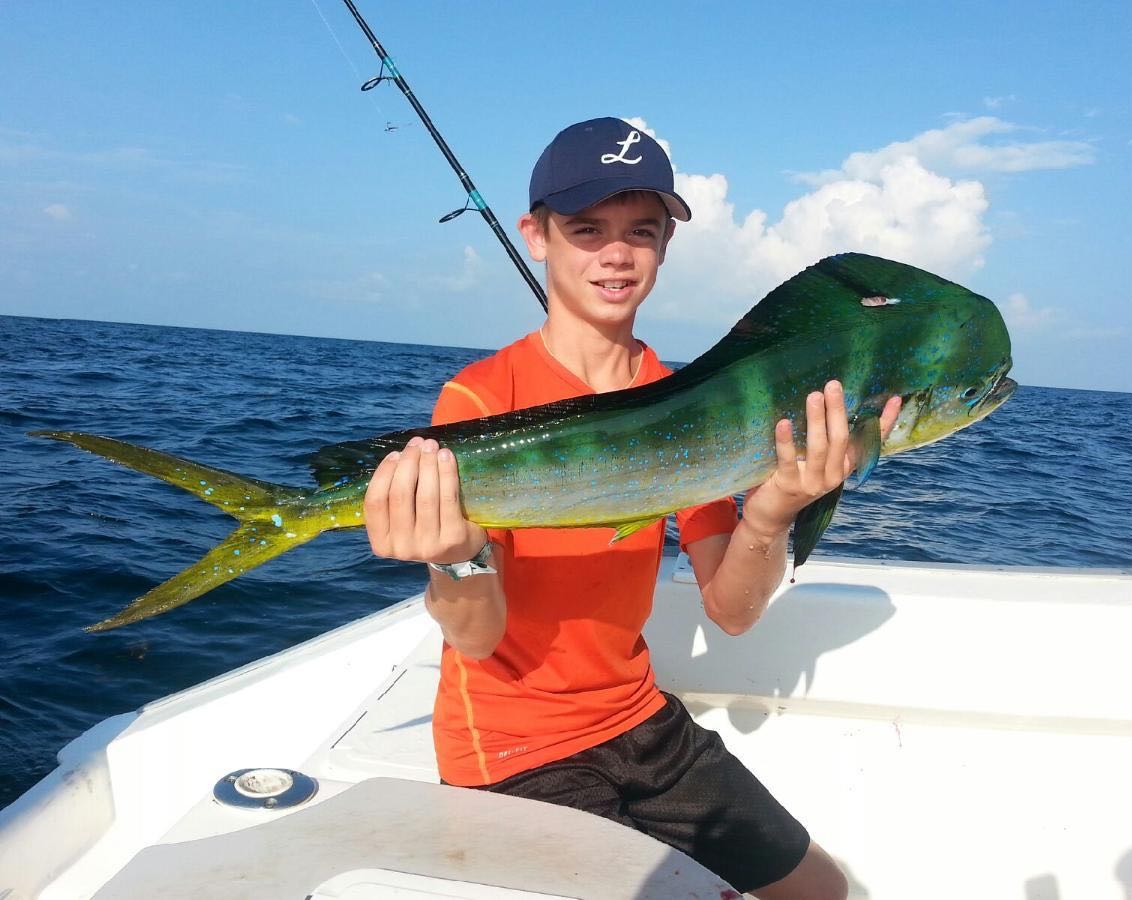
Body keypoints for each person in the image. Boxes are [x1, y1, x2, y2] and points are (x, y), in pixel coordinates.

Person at [364, 117, 900, 899]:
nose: (616, 253)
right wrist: (455, 557)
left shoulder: (690, 402)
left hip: (640, 722)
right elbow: (476, 641)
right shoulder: (481, 398)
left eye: (641, 231)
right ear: (536, 235)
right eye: (587, 229)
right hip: (516, 750)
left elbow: (733, 609)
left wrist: (776, 506)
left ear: (663, 247)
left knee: (825, 891)